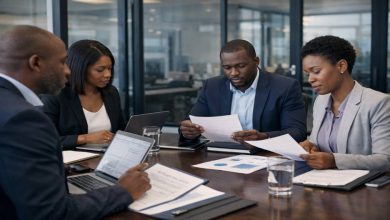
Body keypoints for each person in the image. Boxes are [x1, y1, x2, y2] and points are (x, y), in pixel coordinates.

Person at [0, 25, 151, 219]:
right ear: (36, 63)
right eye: (63, 62)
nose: (67, 70)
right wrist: (124, 191)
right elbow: (51, 212)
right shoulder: (23, 118)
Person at [180, 39, 307, 148]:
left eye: (240, 66)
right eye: (227, 68)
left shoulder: (285, 87)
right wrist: (188, 130)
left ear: (256, 61)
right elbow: (191, 122)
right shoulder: (212, 86)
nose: (234, 73)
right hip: (221, 154)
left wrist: (264, 137)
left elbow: (297, 132)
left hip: (266, 156)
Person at [300, 35, 390, 170]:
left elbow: (385, 160)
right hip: (322, 181)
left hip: (361, 187)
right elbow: (319, 141)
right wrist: (311, 145)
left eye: (316, 71)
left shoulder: (378, 103)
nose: (311, 79)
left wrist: (334, 161)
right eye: (308, 74)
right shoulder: (321, 100)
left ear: (341, 66)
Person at [41, 40, 125, 150]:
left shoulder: (111, 92)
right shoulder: (55, 96)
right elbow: (45, 140)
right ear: (80, 68)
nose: (108, 74)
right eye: (100, 70)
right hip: (73, 164)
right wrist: (85, 138)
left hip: (108, 158)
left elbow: (121, 130)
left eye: (109, 68)